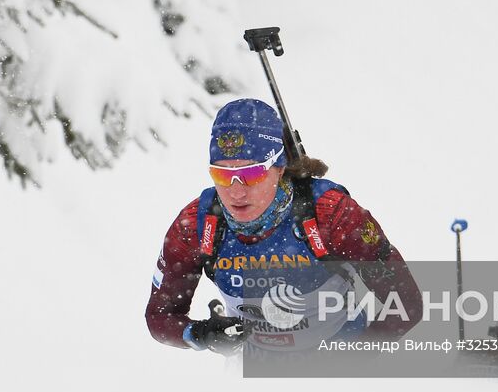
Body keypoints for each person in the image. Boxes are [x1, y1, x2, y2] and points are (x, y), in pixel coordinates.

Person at [145, 97, 422, 356]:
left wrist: (358, 356)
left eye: (251, 174)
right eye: (222, 175)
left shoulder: (331, 215)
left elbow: (406, 304)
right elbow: (159, 316)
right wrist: (202, 334)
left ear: (280, 167)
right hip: (256, 373)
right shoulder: (197, 224)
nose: (235, 192)